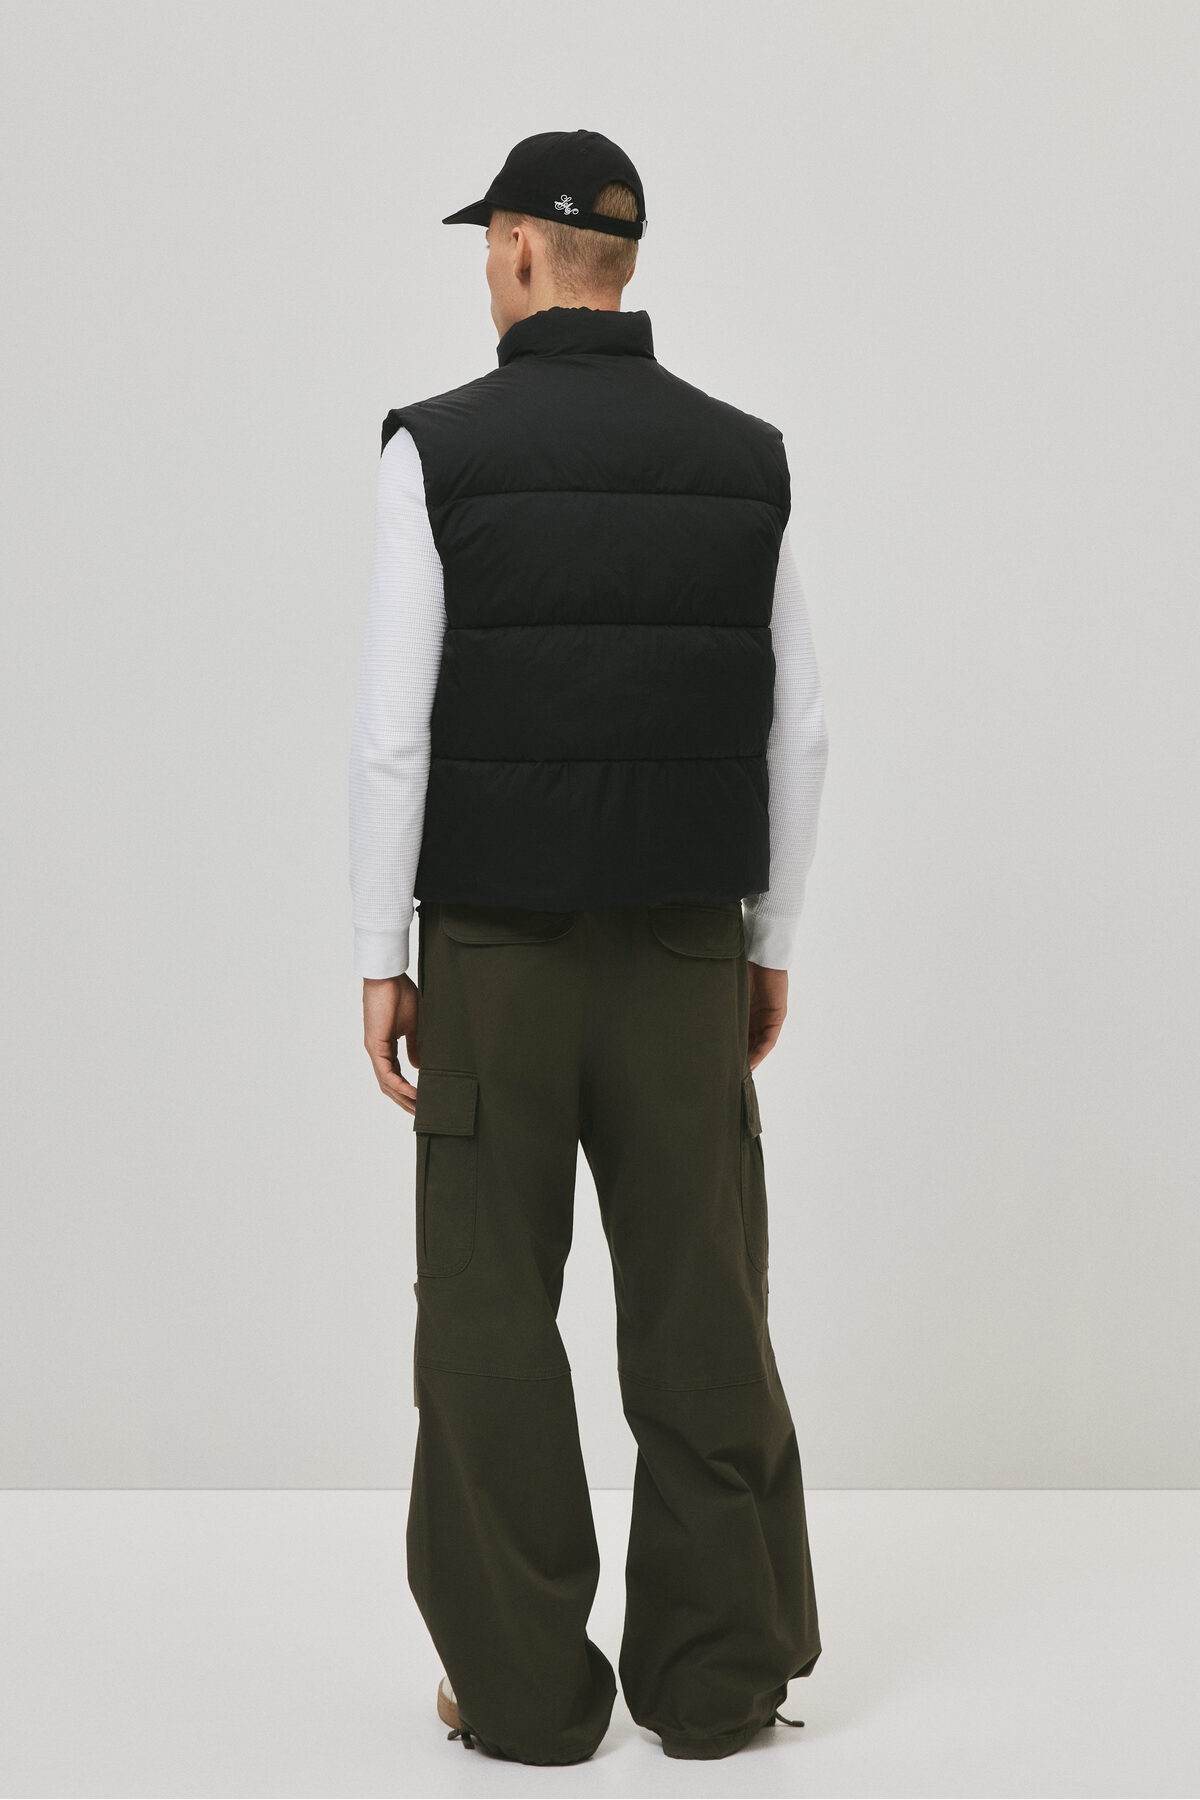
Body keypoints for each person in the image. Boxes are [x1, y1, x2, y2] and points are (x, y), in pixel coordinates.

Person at [348, 128, 830, 1766]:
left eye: (488, 245)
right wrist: (770, 934)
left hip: (496, 956)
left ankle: (521, 1691)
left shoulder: (440, 451)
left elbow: (393, 732)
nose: (486, 269)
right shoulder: (745, 459)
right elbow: (801, 727)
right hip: (690, 949)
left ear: (522, 250)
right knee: (705, 1309)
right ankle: (717, 1684)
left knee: (488, 1315)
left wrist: (381, 950)